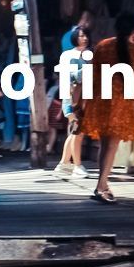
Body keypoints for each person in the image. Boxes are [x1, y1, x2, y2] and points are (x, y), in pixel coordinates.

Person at [83, 10, 134, 204]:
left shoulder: (103, 46)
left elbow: (92, 75)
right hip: (121, 103)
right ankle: (101, 186)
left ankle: (102, 184)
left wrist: (85, 103)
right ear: (133, 31)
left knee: (104, 145)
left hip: (101, 100)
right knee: (111, 146)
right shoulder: (133, 50)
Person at [50, 23, 90, 181]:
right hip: (72, 97)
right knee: (77, 131)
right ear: (74, 38)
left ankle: (64, 163)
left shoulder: (90, 54)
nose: (84, 38)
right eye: (81, 35)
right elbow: (70, 77)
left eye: (86, 35)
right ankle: (77, 166)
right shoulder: (67, 55)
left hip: (87, 97)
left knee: (76, 130)